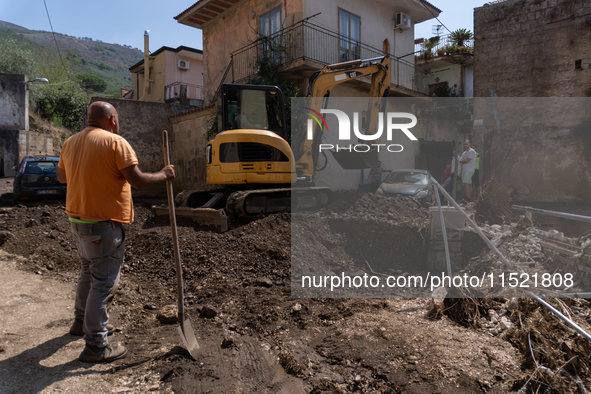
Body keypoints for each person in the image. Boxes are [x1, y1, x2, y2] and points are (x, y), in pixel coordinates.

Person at [56, 101, 175, 363]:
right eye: (117, 119)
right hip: (104, 225)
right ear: (112, 119)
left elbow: (62, 178)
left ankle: (80, 322)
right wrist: (164, 174)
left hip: (78, 221)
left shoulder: (70, 142)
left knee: (88, 271)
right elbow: (138, 180)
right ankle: (96, 345)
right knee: (104, 283)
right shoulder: (114, 142)